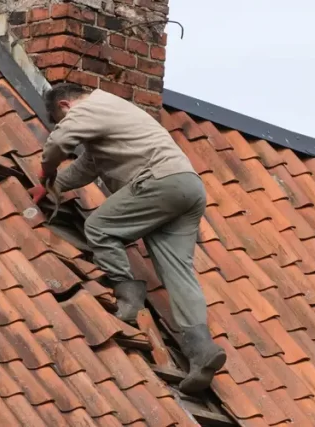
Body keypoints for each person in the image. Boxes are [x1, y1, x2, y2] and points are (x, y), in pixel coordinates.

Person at [28, 83, 226, 394]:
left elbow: (62, 139)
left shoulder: (91, 106)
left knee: (99, 227)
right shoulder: (115, 116)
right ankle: (201, 351)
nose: (63, 122)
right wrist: (53, 187)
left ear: (65, 106)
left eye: (59, 117)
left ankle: (128, 297)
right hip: (187, 187)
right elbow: (86, 167)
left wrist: (44, 171)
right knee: (177, 270)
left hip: (158, 181)